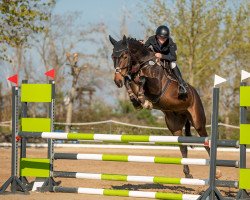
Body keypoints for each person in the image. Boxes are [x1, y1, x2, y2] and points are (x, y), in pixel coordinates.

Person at [144, 25, 188, 97]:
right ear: (157, 36)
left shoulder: (170, 42)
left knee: (173, 64)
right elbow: (145, 49)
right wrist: (142, 45)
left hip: (168, 58)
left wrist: (162, 56)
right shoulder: (151, 39)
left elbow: (174, 57)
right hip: (155, 57)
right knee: (147, 63)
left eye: (164, 38)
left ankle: (182, 84)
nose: (162, 40)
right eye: (160, 38)